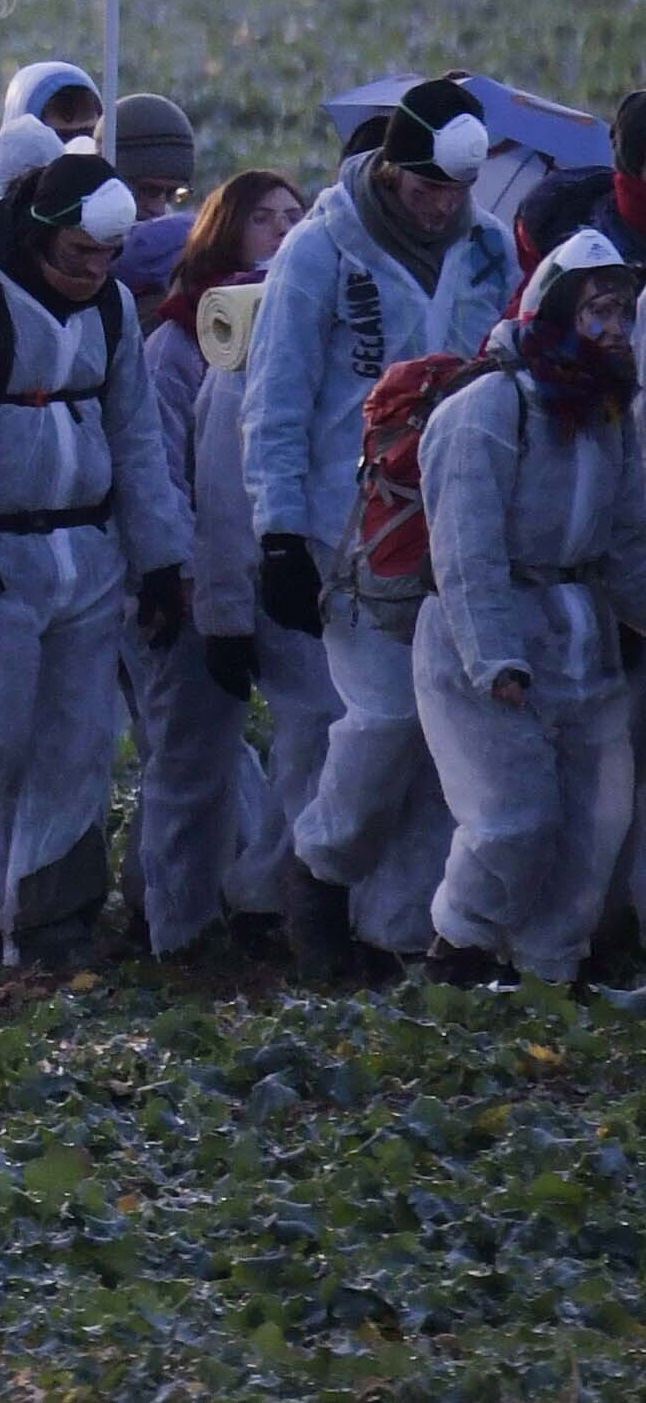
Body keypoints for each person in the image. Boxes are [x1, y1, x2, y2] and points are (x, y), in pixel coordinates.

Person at [0, 113, 191, 960]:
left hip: (87, 556)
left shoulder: (115, 313)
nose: (93, 274)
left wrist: (161, 558)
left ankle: (48, 919)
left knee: (79, 740)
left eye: (107, 259)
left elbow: (136, 441)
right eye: (77, 258)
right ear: (39, 236)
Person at [255, 83, 514, 977]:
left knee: (450, 740)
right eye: (426, 189)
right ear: (395, 170)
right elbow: (277, 399)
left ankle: (403, 933)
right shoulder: (318, 252)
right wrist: (278, 530)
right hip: (349, 536)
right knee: (386, 719)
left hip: (459, 531)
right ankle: (319, 872)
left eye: (454, 190)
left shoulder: (487, 253)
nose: (440, 206)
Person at [405, 228, 638, 982]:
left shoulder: (609, 415)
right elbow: (466, 551)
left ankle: (549, 970)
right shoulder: (485, 408)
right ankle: (459, 953)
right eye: (598, 309)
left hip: (579, 631)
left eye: (623, 313)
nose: (612, 329)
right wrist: (495, 656)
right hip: (489, 639)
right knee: (513, 816)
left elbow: (628, 536)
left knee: (596, 819)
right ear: (557, 307)